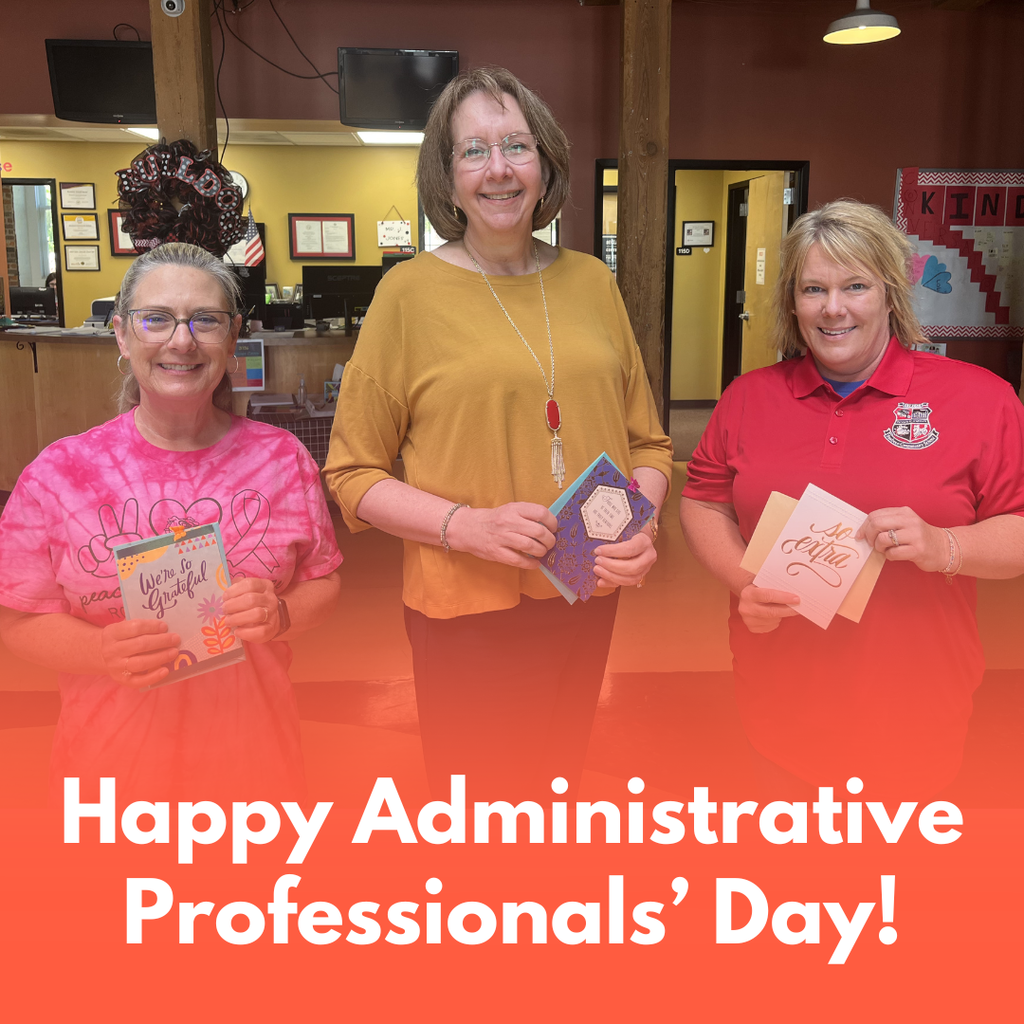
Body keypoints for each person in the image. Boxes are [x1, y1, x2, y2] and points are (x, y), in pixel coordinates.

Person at [324, 67, 673, 800]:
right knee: (478, 804)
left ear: (545, 165)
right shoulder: (408, 294)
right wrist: (465, 527)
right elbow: (352, 474)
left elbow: (647, 445)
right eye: (473, 151)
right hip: (465, 604)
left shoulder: (592, 283)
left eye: (515, 145)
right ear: (446, 182)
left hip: (581, 588)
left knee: (555, 785)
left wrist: (637, 528)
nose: (498, 169)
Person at [679, 200, 1024, 798]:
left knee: (894, 884)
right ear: (793, 302)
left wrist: (944, 544)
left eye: (855, 286)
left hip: (917, 711)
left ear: (890, 293)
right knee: (789, 883)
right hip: (777, 705)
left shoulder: (980, 400)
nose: (833, 308)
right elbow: (704, 499)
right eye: (813, 288)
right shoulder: (748, 398)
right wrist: (744, 581)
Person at [0, 242, 343, 800]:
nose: (181, 340)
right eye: (156, 318)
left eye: (205, 320)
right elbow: (17, 620)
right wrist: (100, 653)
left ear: (233, 340)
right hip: (112, 775)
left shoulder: (282, 461)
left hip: (254, 770)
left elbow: (323, 581)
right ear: (121, 334)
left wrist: (280, 613)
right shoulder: (59, 474)